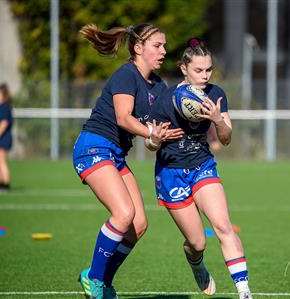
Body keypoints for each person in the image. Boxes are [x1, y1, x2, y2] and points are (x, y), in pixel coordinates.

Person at [73, 23, 183, 299]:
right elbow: (124, 118)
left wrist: (157, 138)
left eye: (165, 45)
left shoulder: (159, 87)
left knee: (138, 225)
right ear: (138, 48)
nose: (164, 51)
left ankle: (104, 283)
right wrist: (150, 132)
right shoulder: (126, 75)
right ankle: (93, 278)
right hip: (93, 146)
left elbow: (149, 140)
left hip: (116, 154)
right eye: (157, 46)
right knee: (123, 214)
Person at [146, 38, 253, 299]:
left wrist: (218, 121)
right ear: (184, 69)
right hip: (171, 174)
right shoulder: (165, 99)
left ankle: (244, 292)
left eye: (209, 70)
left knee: (223, 226)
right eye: (198, 70)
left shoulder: (216, 95)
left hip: (202, 166)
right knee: (197, 243)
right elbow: (150, 144)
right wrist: (155, 140)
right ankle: (196, 264)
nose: (205, 76)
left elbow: (226, 139)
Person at [0, 83, 14, 191]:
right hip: (3, 138)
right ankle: (1, 183)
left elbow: (4, 122)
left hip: (3, 138)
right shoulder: (2, 106)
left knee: (1, 161)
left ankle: (5, 184)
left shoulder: (4, 107)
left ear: (3, 94)